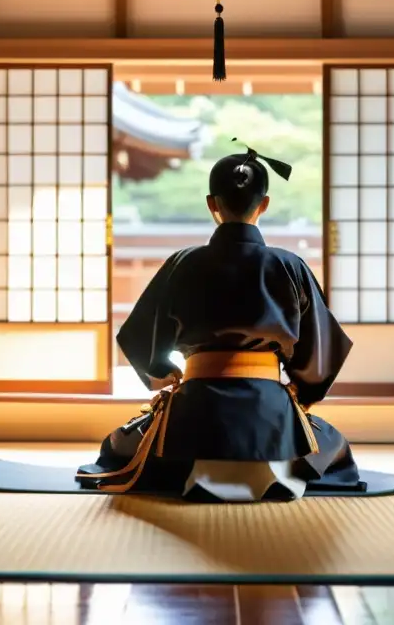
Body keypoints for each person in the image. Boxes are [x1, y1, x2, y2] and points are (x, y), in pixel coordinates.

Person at [77, 142, 359, 501]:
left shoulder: (183, 263)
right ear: (265, 204)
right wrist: (300, 391)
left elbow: (138, 334)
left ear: (212, 203)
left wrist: (162, 370)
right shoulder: (290, 266)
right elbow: (320, 352)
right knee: (332, 445)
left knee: (118, 445)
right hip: (269, 416)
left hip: (195, 415)